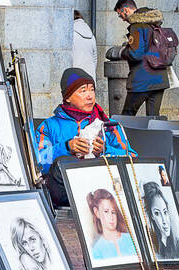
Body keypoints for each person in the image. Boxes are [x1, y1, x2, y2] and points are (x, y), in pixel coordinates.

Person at [34, 68, 132, 208]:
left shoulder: (108, 125)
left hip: (102, 193)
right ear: (67, 97)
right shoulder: (49, 126)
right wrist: (67, 147)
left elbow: (131, 157)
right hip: (65, 195)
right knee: (61, 163)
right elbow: (37, 164)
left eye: (92, 90)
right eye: (83, 90)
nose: (90, 96)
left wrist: (104, 151)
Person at [106, 0, 169, 116]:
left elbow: (136, 54)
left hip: (142, 80)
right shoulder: (154, 24)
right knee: (153, 119)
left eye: (120, 15)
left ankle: (123, 135)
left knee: (127, 116)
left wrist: (121, 52)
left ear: (125, 10)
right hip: (160, 79)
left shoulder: (137, 26)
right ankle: (156, 135)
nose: (123, 19)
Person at [86, 188, 137, 261]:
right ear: (97, 212)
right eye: (106, 211)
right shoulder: (97, 250)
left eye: (113, 212)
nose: (111, 217)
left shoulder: (132, 240)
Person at [142, 181, 179, 261]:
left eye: (165, 212)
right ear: (152, 216)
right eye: (157, 213)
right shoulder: (149, 243)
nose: (164, 221)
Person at [72, 10, 97, 74]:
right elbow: (95, 59)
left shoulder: (71, 34)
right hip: (90, 75)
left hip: (75, 75)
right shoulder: (91, 35)